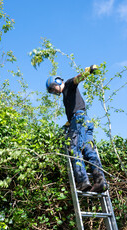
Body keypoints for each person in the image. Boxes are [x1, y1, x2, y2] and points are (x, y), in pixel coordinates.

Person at [46, 65, 108, 193]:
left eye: (53, 88)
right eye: (51, 91)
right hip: (84, 121)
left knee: (74, 150)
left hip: (79, 121)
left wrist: (89, 71)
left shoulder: (68, 84)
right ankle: (100, 181)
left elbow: (77, 79)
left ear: (57, 81)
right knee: (89, 150)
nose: (54, 92)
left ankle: (82, 181)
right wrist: (68, 124)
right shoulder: (66, 95)